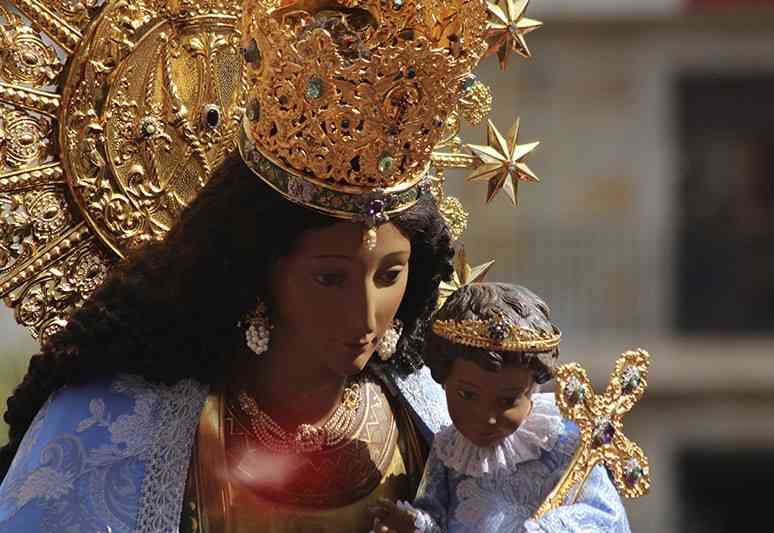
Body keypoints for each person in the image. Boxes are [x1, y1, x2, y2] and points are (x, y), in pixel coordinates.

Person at [0, 0, 498, 529]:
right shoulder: (118, 429)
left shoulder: (444, 421)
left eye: (390, 275)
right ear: (262, 270)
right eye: (330, 278)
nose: (365, 314)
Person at [369, 283, 631, 533]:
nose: (486, 418)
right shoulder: (448, 450)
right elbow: (437, 518)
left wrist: (550, 527)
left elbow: (605, 516)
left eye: (508, 401)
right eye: (467, 395)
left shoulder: (563, 440)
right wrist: (415, 524)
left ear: (532, 388)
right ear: (443, 380)